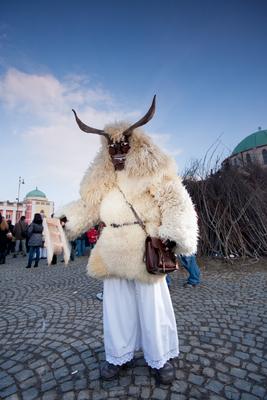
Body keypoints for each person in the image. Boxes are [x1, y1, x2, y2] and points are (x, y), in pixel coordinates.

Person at [57, 96, 198, 384]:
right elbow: (88, 207)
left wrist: (172, 235)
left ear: (134, 144)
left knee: (152, 304)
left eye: (123, 145)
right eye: (113, 147)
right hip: (112, 249)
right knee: (116, 307)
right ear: (106, 149)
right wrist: (65, 220)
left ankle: (159, 357)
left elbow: (175, 200)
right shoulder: (102, 180)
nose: (118, 151)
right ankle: (118, 355)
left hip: (146, 248)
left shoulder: (152, 171)